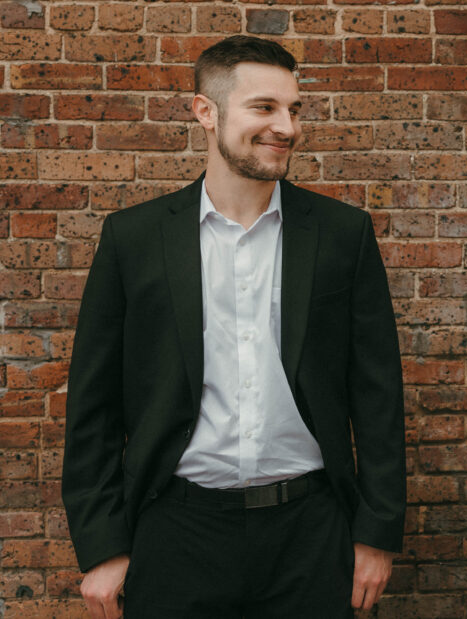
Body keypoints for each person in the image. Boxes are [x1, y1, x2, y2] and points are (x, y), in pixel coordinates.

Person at [61, 35, 405, 618]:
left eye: (294, 110)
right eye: (264, 108)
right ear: (205, 111)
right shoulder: (135, 239)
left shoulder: (342, 235)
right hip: (175, 531)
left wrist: (375, 533)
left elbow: (378, 394)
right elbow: (93, 405)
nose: (287, 128)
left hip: (311, 532)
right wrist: (102, 546)